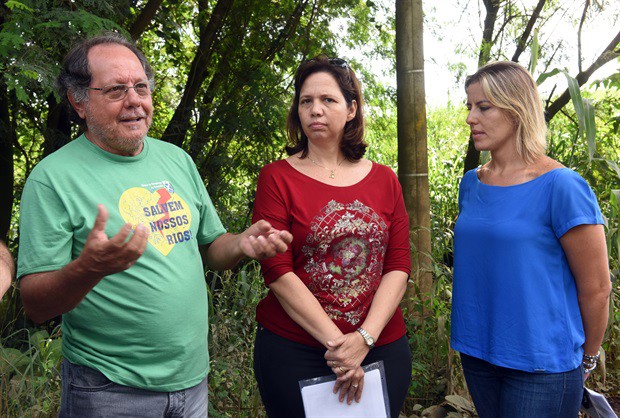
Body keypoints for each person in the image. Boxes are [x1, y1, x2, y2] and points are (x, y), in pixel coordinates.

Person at [17, 32, 292, 417]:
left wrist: (242, 244)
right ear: (79, 102)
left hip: (192, 381)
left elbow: (212, 248)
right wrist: (89, 268)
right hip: (108, 389)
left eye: (141, 87)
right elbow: (35, 304)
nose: (134, 100)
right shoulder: (52, 178)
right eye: (115, 90)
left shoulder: (177, 160)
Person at [251, 55, 412, 418]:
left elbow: (398, 265)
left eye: (328, 100)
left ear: (351, 109)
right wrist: (342, 349)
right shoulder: (277, 178)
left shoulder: (385, 180)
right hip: (295, 351)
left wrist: (364, 339)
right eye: (306, 101)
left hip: (381, 347)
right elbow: (277, 271)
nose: (315, 110)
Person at [451, 61, 611, 417]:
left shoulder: (562, 186)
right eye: (469, 106)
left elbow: (597, 288)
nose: (470, 118)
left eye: (484, 107)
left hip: (542, 365)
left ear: (517, 109)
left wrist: (587, 359)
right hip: (477, 353)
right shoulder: (471, 183)